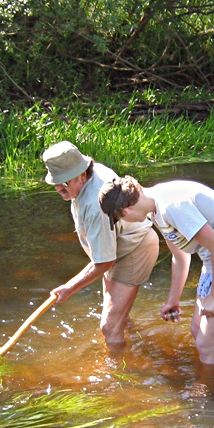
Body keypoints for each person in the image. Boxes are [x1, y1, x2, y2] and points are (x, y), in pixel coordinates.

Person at [98, 176, 214, 365]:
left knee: (206, 344)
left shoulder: (171, 207)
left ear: (125, 211)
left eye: (119, 219)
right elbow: (181, 255)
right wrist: (173, 300)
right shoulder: (155, 210)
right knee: (197, 331)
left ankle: (212, 391)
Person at [42, 141, 159, 348]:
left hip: (134, 250)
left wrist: (69, 287)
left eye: (64, 182)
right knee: (118, 317)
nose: (59, 188)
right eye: (56, 182)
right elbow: (104, 255)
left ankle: (117, 375)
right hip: (113, 249)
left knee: (108, 327)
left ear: (81, 174)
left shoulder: (96, 205)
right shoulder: (85, 178)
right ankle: (136, 345)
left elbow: (105, 261)